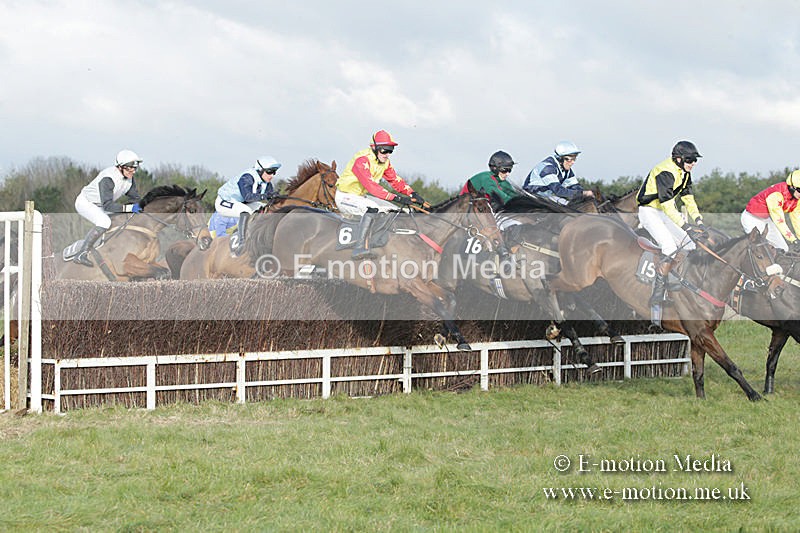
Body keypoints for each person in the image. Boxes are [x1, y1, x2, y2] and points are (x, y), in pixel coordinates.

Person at [637, 140, 707, 308]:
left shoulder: (684, 172)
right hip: (649, 211)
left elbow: (688, 199)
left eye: (695, 160)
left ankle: (676, 280)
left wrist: (698, 221)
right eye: (690, 160)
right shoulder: (665, 172)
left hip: (663, 212)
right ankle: (658, 292)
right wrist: (686, 227)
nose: (693, 163)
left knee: (689, 244)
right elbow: (668, 205)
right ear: (678, 159)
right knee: (669, 246)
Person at [335, 130, 426, 259]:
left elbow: (395, 180)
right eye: (384, 150)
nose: (387, 154)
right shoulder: (362, 160)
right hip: (345, 196)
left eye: (390, 151)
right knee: (373, 209)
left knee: (395, 210)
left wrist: (412, 193)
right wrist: (398, 198)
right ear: (375, 148)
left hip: (360, 197)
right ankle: (359, 248)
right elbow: (372, 187)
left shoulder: (385, 162)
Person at [73, 149, 143, 266]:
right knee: (104, 222)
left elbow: (135, 198)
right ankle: (81, 254)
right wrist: (129, 208)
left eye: (135, 168)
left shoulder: (129, 179)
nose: (133, 171)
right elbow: (108, 206)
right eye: (129, 168)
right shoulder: (108, 178)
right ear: (120, 167)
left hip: (102, 204)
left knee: (119, 219)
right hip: (86, 203)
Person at [215, 156, 281, 254]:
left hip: (242, 202)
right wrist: (267, 196)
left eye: (274, 172)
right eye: (269, 172)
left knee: (265, 208)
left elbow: (269, 199)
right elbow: (248, 197)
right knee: (245, 212)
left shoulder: (267, 183)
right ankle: (241, 242)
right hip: (224, 202)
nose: (271, 175)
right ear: (260, 170)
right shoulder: (247, 177)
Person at [741, 170, 800, 253]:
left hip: (766, 220)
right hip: (751, 218)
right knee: (761, 251)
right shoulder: (776, 195)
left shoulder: (796, 199)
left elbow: (797, 220)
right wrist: (792, 239)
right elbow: (779, 220)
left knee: (783, 249)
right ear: (791, 187)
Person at [522, 141, 594, 204]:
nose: (573, 162)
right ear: (560, 158)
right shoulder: (548, 168)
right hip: (531, 198)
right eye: (570, 159)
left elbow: (575, 186)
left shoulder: (567, 170)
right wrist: (583, 193)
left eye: (574, 159)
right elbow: (558, 190)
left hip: (546, 197)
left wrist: (587, 194)